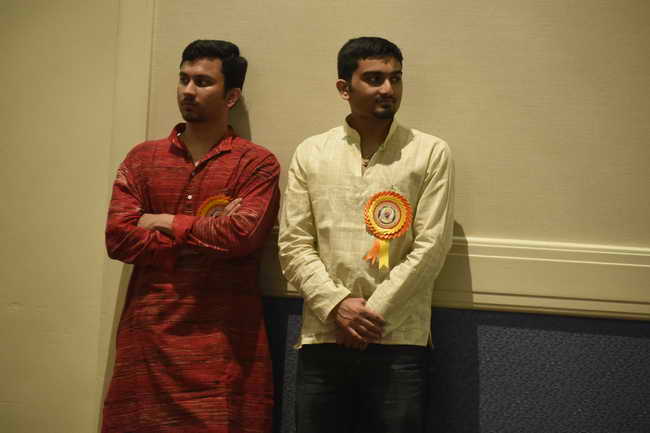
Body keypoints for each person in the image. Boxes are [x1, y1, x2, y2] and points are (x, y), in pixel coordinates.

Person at [278, 36, 455, 433]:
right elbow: (293, 244)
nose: (388, 89)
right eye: (374, 79)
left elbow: (431, 246)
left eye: (396, 78)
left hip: (398, 339)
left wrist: (369, 316)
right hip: (324, 336)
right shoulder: (311, 152)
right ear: (344, 88)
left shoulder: (430, 153)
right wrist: (337, 306)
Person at [102, 40, 279, 433]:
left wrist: (163, 220)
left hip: (223, 346)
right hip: (147, 343)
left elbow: (241, 236)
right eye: (183, 79)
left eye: (202, 82)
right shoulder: (142, 158)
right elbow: (118, 238)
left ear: (231, 96)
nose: (187, 90)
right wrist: (206, 234)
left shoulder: (255, 163)